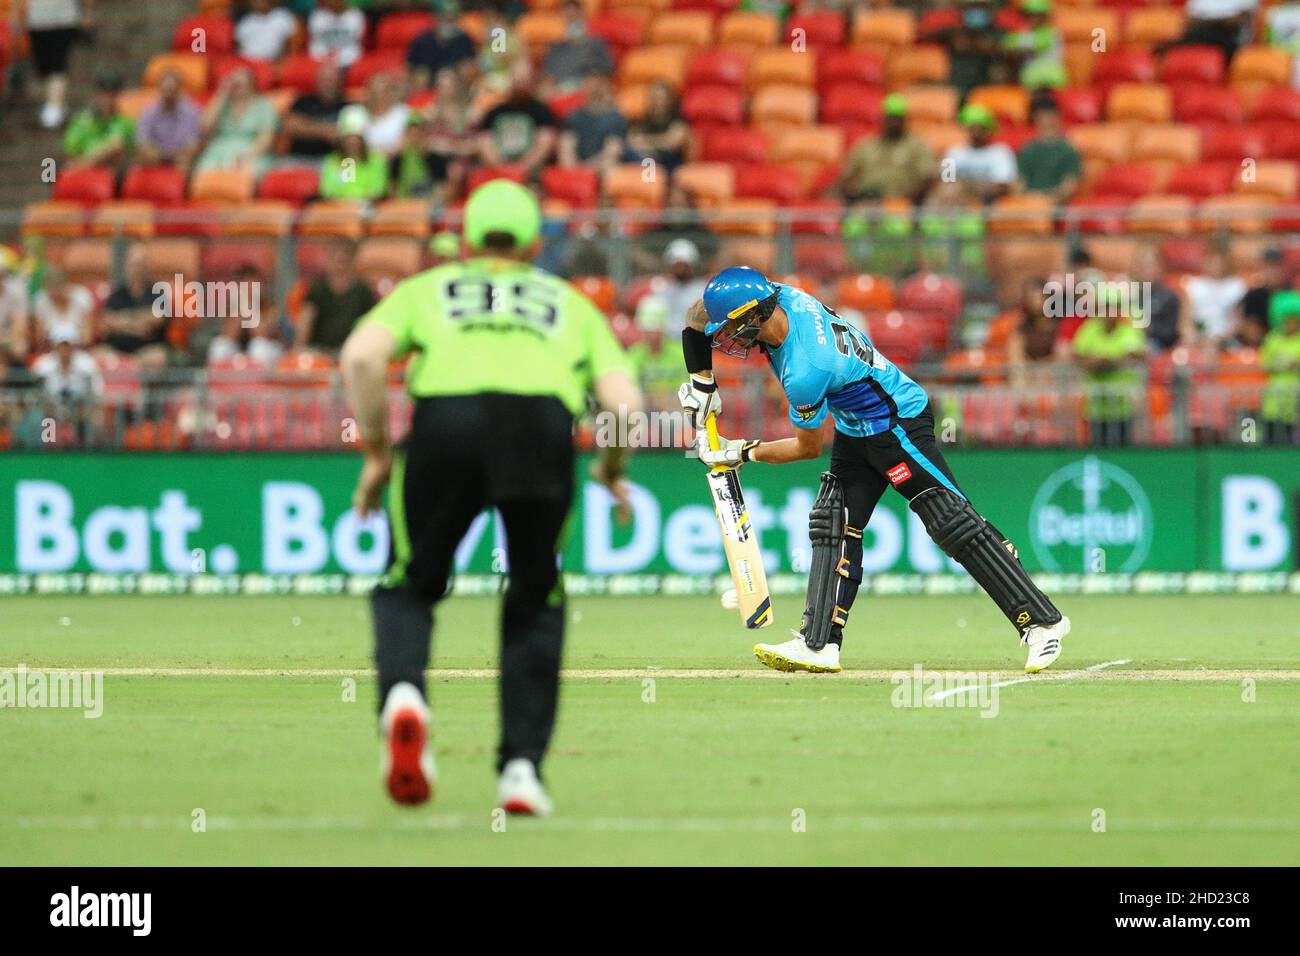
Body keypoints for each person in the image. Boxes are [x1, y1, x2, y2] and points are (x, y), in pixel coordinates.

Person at [339, 180, 642, 814]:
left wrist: (376, 453)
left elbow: (362, 356)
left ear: (466, 240)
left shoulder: (429, 288)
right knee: (535, 595)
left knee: (410, 581)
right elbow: (623, 405)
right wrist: (611, 471)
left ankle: (403, 697)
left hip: (445, 423)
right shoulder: (569, 303)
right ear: (535, 243)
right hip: (539, 428)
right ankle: (521, 773)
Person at [679, 266, 1070, 674]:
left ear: (757, 316)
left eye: (734, 329)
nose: (726, 340)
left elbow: (806, 447)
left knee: (953, 523)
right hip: (855, 427)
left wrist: (742, 452)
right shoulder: (779, 295)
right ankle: (819, 644)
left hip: (897, 423)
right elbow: (696, 316)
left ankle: (1043, 623)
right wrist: (702, 383)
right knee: (833, 522)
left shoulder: (807, 369)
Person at [1071, 290, 1147, 447]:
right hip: (1095, 406)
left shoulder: (1130, 331)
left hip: (1124, 405)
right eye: (1105, 308)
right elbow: (1079, 358)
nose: (1109, 313)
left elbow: (1138, 355)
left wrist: (1108, 360)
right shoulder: (1089, 329)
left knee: (1124, 449)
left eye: (1113, 308)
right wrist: (1103, 361)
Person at [831, 93, 934, 203]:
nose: (893, 123)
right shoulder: (865, 146)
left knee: (896, 219)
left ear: (904, 120)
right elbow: (846, 178)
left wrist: (910, 199)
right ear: (882, 119)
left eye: (897, 118)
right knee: (855, 220)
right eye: (890, 118)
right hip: (867, 205)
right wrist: (854, 193)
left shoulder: (916, 146)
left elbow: (928, 178)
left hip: (901, 206)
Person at [477, 61, 559, 178]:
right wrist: (501, 168)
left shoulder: (543, 112)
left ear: (531, 81)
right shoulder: (494, 112)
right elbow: (484, 142)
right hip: (498, 173)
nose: (520, 84)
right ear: (510, 80)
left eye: (524, 80)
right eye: (518, 79)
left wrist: (522, 168)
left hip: (531, 175)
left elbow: (545, 144)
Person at [294, 241, 376, 352]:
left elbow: (370, 323)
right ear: (328, 260)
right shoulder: (317, 289)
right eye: (335, 259)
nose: (339, 266)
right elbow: (306, 320)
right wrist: (298, 348)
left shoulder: (362, 291)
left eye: (343, 261)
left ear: (351, 261)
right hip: (319, 350)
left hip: (350, 349)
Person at [195, 67, 278, 176]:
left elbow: (266, 138)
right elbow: (204, 127)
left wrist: (249, 155)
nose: (237, 88)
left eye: (241, 85)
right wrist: (221, 95)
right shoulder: (222, 103)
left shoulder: (263, 106)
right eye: (234, 85)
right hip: (218, 150)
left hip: (251, 151)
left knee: (248, 172)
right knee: (204, 173)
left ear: (251, 86)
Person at [98, 244, 169, 368]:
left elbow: (156, 319)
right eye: (134, 265)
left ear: (147, 267)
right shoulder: (117, 294)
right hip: (117, 349)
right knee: (97, 355)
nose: (137, 269)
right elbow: (108, 321)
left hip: (147, 350)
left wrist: (122, 320)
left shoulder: (158, 292)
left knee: (158, 357)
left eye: (141, 265)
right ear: (126, 266)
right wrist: (139, 325)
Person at [932, 104, 1018, 206]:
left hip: (988, 205)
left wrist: (966, 188)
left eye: (980, 128)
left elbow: (1002, 186)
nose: (976, 133)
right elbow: (945, 182)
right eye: (972, 128)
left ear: (988, 130)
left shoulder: (1001, 153)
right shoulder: (953, 152)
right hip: (957, 204)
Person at [25, 0, 92, 128]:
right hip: (36, 19)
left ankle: (54, 107)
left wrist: (87, 13)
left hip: (64, 18)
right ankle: (52, 101)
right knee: (44, 67)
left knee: (58, 63)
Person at [33, 327, 103, 440]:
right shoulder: (43, 366)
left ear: (74, 346)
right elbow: (36, 395)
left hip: (81, 412)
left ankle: (88, 452)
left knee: (97, 420)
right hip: (51, 413)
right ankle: (48, 451)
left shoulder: (87, 364)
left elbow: (97, 393)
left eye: (68, 346)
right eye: (61, 346)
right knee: (40, 420)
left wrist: (85, 409)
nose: (64, 350)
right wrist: (50, 410)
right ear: (54, 346)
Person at [557, 71, 627, 174]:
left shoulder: (616, 118)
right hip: (575, 169)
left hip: (601, 168)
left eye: (597, 83)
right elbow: (566, 147)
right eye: (589, 82)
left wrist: (587, 169)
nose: (594, 87)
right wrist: (573, 170)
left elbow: (612, 151)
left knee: (610, 168)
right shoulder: (573, 116)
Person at [63, 73, 134, 172]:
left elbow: (131, 157)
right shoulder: (81, 121)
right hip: (84, 175)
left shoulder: (127, 123)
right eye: (103, 94)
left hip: (114, 176)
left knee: (116, 146)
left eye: (112, 95)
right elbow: (70, 154)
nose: (107, 100)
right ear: (96, 95)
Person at [135, 69, 203, 172]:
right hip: (156, 158)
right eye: (166, 89)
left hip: (181, 159)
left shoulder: (192, 112)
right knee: (142, 158)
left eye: (172, 89)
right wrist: (161, 156)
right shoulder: (148, 113)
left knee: (186, 162)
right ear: (159, 89)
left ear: (179, 90)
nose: (169, 93)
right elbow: (143, 143)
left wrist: (176, 157)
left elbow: (193, 145)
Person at [319, 105, 389, 201]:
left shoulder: (376, 160)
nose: (352, 142)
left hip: (368, 210)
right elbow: (328, 190)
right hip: (340, 210)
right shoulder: (334, 161)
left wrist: (356, 199)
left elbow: (378, 189)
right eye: (349, 138)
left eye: (356, 138)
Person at [541, 0, 614, 94]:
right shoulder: (556, 48)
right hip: (560, 94)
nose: (572, 22)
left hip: (587, 94)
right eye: (569, 18)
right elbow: (548, 78)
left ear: (583, 15)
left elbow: (606, 72)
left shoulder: (596, 44)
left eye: (575, 17)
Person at [1017, 98, 1080, 201]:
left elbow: (1069, 185)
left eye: (1049, 116)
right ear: (1035, 119)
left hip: (1056, 206)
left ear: (1057, 118)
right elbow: (1019, 183)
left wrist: (1047, 198)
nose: (1046, 121)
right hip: (1029, 204)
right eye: (1041, 117)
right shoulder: (1027, 150)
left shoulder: (1068, 150)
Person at [282, 62, 347, 161]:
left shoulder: (350, 107)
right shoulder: (302, 102)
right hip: (299, 158)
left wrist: (307, 126)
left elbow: (353, 135)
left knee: (350, 171)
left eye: (332, 79)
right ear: (316, 82)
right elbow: (291, 126)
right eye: (324, 80)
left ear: (340, 82)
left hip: (336, 161)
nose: (328, 84)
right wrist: (325, 131)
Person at [406, 1, 476, 89]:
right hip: (425, 88)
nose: (448, 23)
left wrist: (464, 71)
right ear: (435, 17)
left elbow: (471, 66)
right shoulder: (422, 41)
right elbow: (409, 67)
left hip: (455, 87)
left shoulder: (464, 40)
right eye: (445, 18)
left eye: (452, 19)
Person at [1183, 249, 1246, 346]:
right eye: (1212, 262)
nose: (1216, 266)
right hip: (1198, 339)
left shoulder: (1236, 285)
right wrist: (1193, 336)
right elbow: (1186, 318)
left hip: (1226, 339)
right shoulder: (1194, 285)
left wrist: (1222, 338)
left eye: (1219, 262)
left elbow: (1238, 320)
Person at [626, 81, 688, 172]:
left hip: (669, 168)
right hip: (645, 164)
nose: (655, 102)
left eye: (660, 98)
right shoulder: (642, 123)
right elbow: (633, 140)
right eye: (652, 98)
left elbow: (673, 142)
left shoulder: (678, 122)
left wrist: (646, 142)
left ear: (670, 100)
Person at [1259, 309, 1300, 444]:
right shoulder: (1272, 339)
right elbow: (1264, 363)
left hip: (1295, 391)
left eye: (1293, 320)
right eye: (1287, 320)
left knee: (1290, 429)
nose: (1290, 324)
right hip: (1274, 390)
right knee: (1270, 425)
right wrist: (1283, 365)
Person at [32, 266, 93, 350]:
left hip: (77, 347)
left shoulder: (82, 297)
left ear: (65, 285)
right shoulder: (41, 300)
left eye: (57, 289)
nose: (54, 293)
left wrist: (71, 346)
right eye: (49, 289)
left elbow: (87, 337)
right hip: (51, 348)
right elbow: (40, 338)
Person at [1239, 248, 1287, 348]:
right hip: (1262, 348)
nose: (1272, 271)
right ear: (1262, 268)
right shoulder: (1254, 296)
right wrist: (1274, 345)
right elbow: (1251, 332)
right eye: (1268, 266)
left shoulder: (1291, 294)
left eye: (1276, 266)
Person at [234, 0, 299, 62]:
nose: (260, 1)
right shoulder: (244, 22)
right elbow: (238, 48)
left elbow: (294, 45)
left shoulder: (283, 16)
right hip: (247, 64)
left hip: (274, 64)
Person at [0, 248, 31, 375]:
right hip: (4, 336)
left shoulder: (16, 293)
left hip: (8, 338)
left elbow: (19, 328)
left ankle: (16, 386)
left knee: (19, 347)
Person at [308, 0, 366, 67]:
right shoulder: (317, 16)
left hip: (350, 59)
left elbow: (361, 42)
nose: (334, 1)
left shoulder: (356, 15)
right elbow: (315, 43)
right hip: (320, 59)